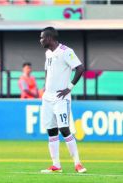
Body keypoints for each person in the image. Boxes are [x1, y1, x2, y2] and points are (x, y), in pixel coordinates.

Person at [39, 27, 86, 173]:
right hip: (48, 98)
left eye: (42, 38)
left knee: (64, 129)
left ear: (49, 38)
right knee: (51, 131)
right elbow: (47, 70)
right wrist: (45, 87)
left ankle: (78, 163)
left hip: (61, 98)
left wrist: (69, 87)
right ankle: (56, 165)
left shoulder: (66, 51)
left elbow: (80, 68)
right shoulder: (48, 53)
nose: (40, 40)